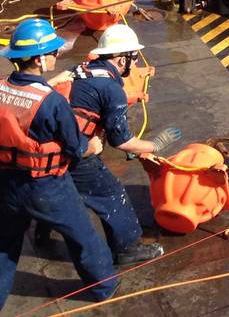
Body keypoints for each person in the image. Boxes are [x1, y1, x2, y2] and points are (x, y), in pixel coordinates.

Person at [0, 18, 118, 308]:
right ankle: (105, 286)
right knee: (83, 236)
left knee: (4, 245)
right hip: (46, 186)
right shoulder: (53, 102)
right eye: (53, 52)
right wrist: (92, 146)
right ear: (40, 58)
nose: (56, 56)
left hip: (6, 183)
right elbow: (75, 147)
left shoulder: (1, 88)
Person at [63, 23, 179, 266]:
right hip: (73, 151)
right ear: (119, 58)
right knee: (112, 194)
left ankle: (42, 231)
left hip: (53, 144)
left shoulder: (83, 69)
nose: (135, 63)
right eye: (133, 57)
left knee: (60, 189)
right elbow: (122, 141)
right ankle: (127, 249)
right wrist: (155, 145)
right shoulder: (111, 88)